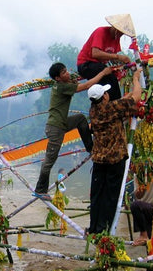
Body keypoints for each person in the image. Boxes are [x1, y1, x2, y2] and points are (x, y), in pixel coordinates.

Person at [33, 62, 114, 200]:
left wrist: (73, 77)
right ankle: (40, 190)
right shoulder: (62, 87)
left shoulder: (63, 84)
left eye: (66, 70)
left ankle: (91, 148)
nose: (67, 73)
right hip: (56, 127)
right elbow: (87, 86)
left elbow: (75, 82)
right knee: (49, 160)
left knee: (81, 119)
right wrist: (103, 73)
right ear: (57, 78)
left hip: (62, 123)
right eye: (63, 72)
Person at [87, 67, 142, 234]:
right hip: (114, 159)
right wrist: (135, 79)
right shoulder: (112, 108)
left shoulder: (94, 110)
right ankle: (106, 229)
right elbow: (137, 97)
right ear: (104, 96)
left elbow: (117, 106)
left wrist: (124, 98)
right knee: (111, 196)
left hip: (98, 160)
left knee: (97, 196)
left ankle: (95, 228)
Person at [77, 14, 135, 101]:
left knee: (110, 81)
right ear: (115, 29)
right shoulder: (101, 32)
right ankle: (115, 104)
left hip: (98, 66)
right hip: (86, 64)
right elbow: (95, 53)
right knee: (111, 79)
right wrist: (118, 57)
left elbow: (112, 58)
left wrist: (125, 63)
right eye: (120, 32)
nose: (121, 35)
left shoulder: (116, 38)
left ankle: (112, 103)